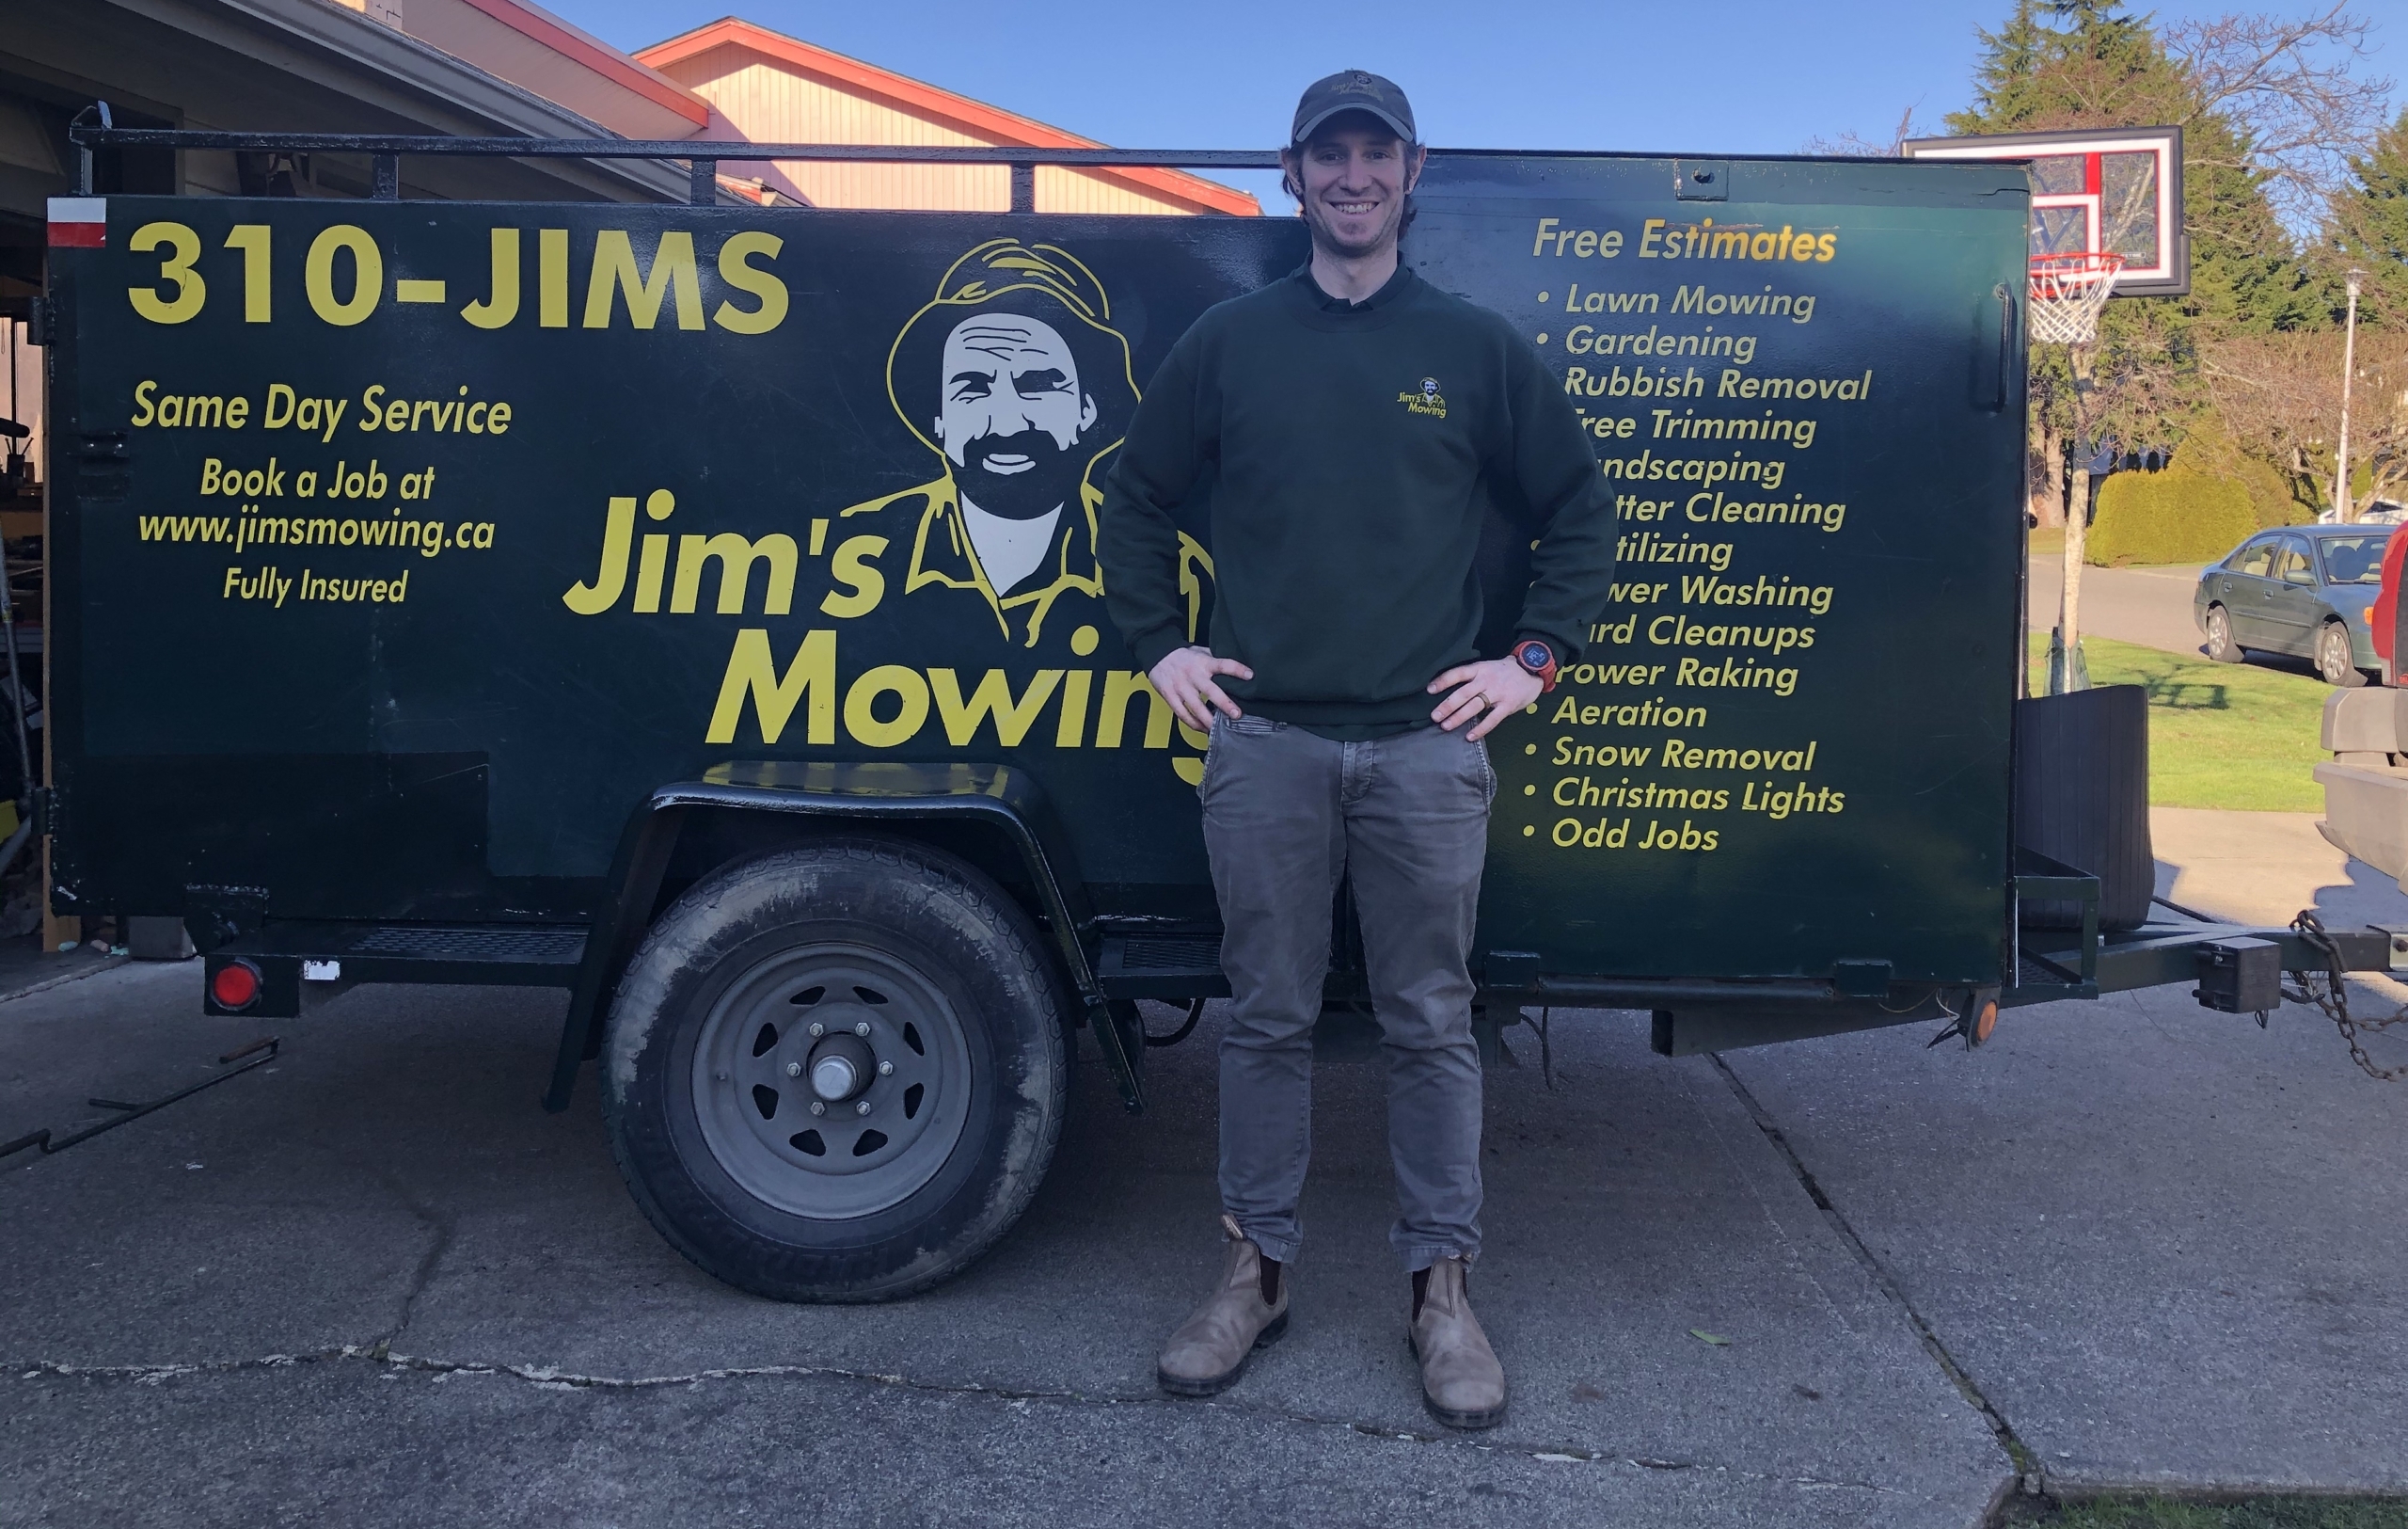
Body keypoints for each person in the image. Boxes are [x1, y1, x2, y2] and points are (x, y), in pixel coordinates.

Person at [1098, 70, 1617, 1429]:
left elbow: (1580, 510)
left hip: (1423, 757)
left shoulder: (1474, 347)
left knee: (1431, 1023)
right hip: (1262, 747)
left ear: (1411, 171)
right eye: (1327, 155)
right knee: (1264, 1019)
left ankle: (1442, 1293)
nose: (1351, 176)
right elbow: (1136, 497)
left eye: (1373, 154)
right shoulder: (1230, 341)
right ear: (1294, 177)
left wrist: (1533, 658)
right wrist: (1159, 643)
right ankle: (1253, 1273)